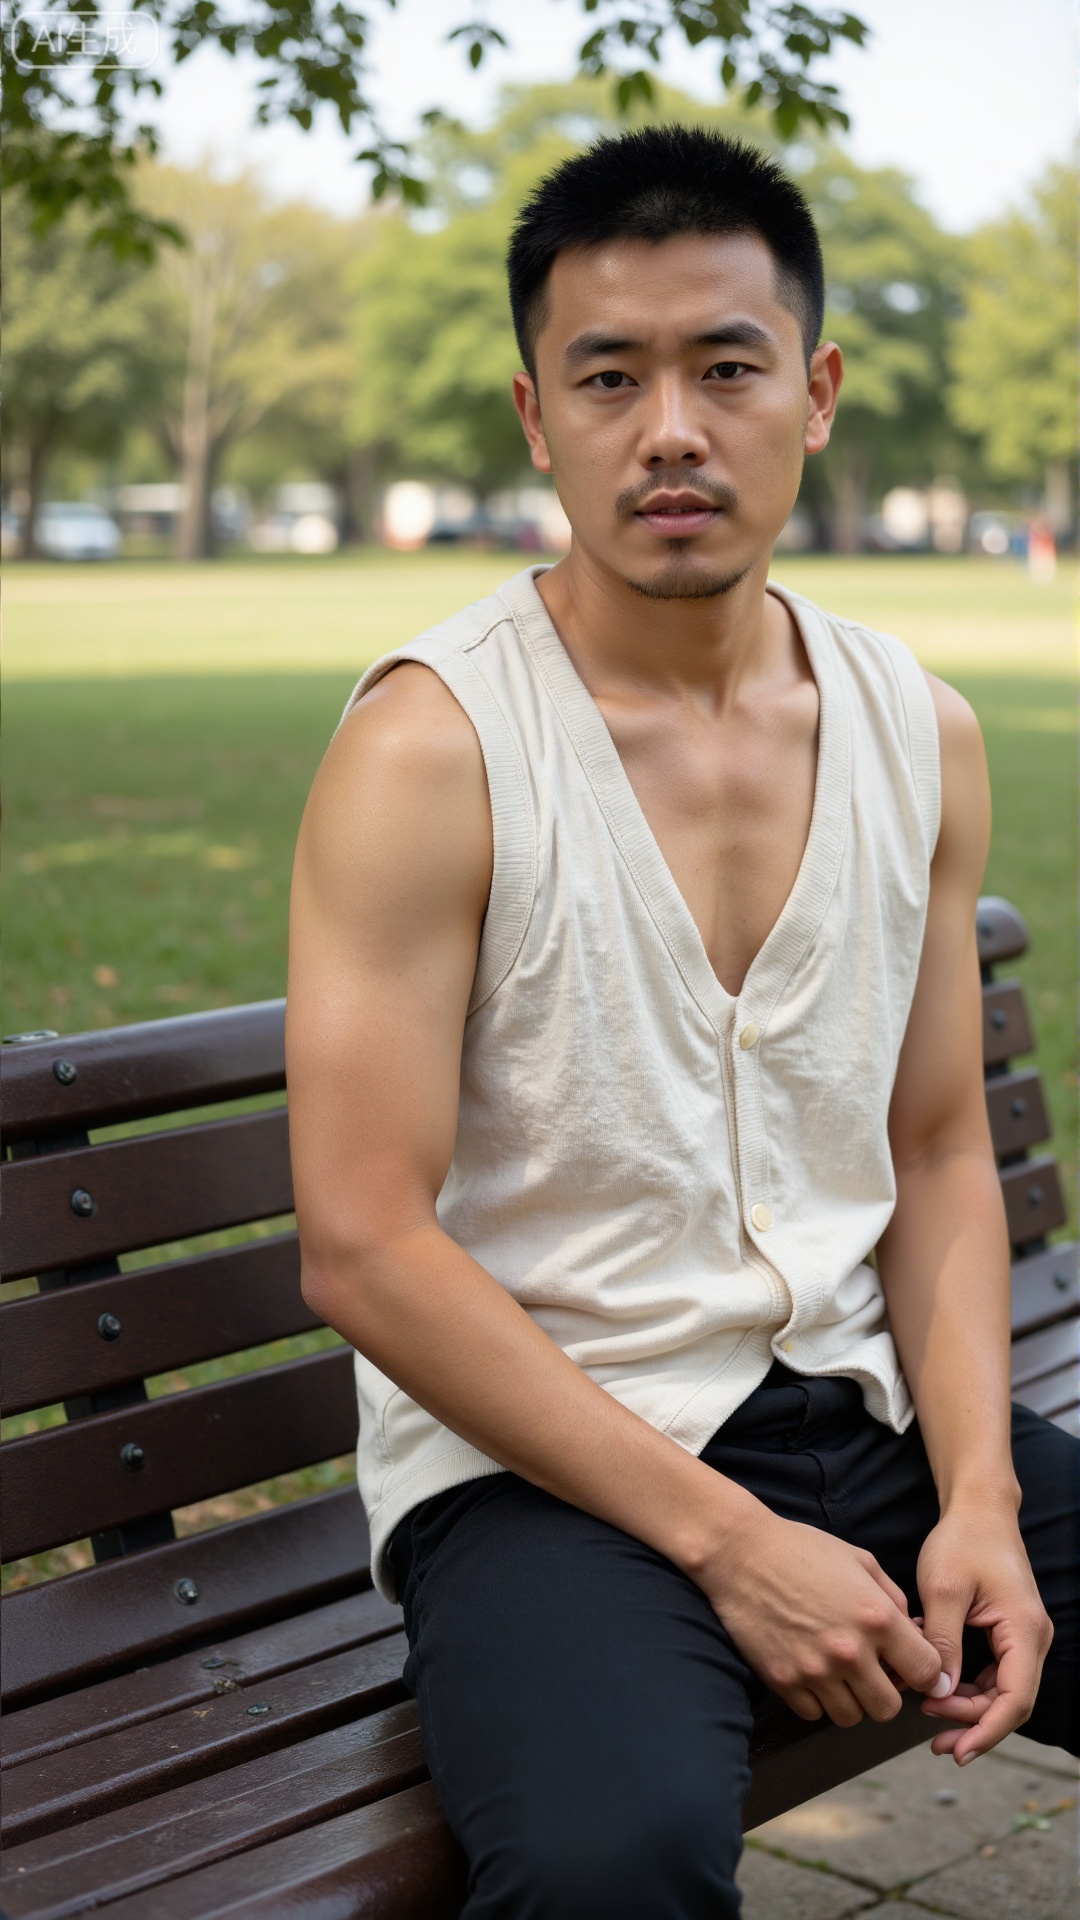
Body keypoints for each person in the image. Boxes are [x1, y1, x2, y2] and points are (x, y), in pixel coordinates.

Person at [286, 126, 1077, 1917]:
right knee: (605, 1864)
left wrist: (982, 1504)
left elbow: (938, 1146)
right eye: (609, 375)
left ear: (814, 392)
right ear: (532, 416)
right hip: (545, 1461)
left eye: (725, 368)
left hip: (869, 1411)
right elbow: (363, 1248)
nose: (670, 429)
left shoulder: (916, 727)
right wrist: (741, 1550)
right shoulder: (431, 749)